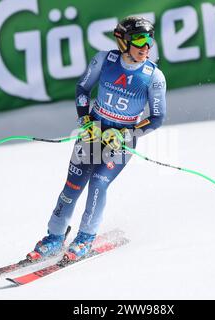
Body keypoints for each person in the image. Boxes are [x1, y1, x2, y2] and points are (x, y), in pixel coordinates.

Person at [27, 16, 167, 262]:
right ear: (123, 41)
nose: (145, 46)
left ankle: (85, 238)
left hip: (121, 141)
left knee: (99, 183)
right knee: (72, 187)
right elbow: (82, 89)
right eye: (139, 39)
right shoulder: (105, 60)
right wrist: (85, 121)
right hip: (94, 132)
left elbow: (157, 117)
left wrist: (127, 134)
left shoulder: (154, 77)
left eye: (149, 40)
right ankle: (54, 237)